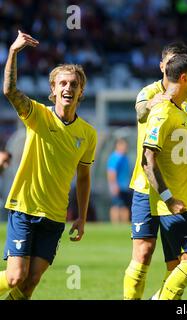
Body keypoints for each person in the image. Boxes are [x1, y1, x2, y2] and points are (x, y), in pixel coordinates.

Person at [0, 31, 96, 299]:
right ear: (53, 90)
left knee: (30, 282)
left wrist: (82, 216)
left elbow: (84, 176)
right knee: (15, 276)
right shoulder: (38, 115)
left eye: (74, 84)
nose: (68, 88)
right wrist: (13, 52)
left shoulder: (88, 134)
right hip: (24, 208)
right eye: (63, 83)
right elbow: (9, 90)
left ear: (81, 91)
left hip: (55, 216)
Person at [124, 42, 187, 300]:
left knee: (177, 262)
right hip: (146, 187)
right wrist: (151, 104)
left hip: (178, 186)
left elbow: (183, 149)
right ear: (162, 66)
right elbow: (139, 113)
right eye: (170, 60)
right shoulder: (150, 94)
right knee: (144, 251)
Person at [107, 137, 132, 223]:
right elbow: (111, 172)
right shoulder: (115, 157)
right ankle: (115, 224)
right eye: (122, 145)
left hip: (125, 186)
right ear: (117, 146)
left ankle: (124, 224)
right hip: (118, 186)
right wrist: (114, 185)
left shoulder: (125, 157)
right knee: (116, 205)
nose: (124, 147)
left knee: (125, 206)